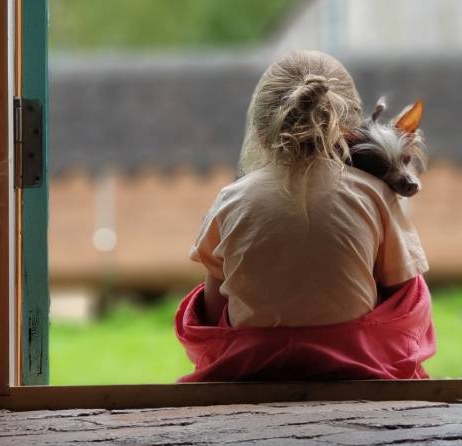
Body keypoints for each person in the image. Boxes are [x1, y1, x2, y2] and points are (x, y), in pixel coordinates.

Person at [174, 50, 435, 382]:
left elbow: (210, 319)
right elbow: (407, 309)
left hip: (251, 368)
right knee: (413, 289)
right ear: (350, 132)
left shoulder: (230, 199)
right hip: (356, 366)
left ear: (262, 132)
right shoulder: (374, 194)